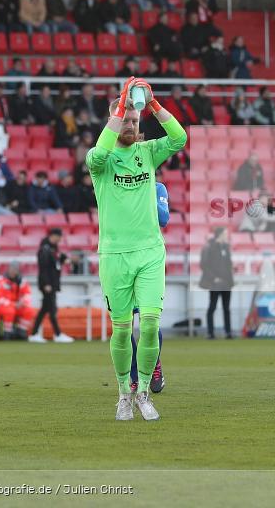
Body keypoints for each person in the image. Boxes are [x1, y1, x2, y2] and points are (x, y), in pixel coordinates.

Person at [85, 77, 186, 420]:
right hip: (114, 255)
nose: (130, 124)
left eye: (134, 120)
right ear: (113, 120)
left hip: (150, 253)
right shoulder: (101, 162)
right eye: (124, 119)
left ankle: (144, 391)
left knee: (152, 323)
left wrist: (155, 105)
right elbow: (99, 152)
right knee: (122, 328)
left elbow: (179, 137)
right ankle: (123, 393)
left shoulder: (148, 152)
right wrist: (121, 105)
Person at [130, 183, 170, 394]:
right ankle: (135, 376)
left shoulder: (157, 188)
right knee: (124, 326)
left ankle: (154, 364)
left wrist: (145, 197)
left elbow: (164, 218)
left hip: (148, 260)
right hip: (122, 258)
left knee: (150, 323)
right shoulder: (118, 185)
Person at [27, 228, 72, 343]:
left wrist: (63, 259)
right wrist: (46, 283)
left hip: (52, 283)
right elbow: (44, 268)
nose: (60, 239)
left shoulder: (53, 248)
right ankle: (57, 334)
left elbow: (55, 263)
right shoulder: (45, 249)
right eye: (59, 236)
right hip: (47, 284)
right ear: (53, 236)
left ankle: (34, 334)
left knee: (45, 309)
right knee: (51, 309)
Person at [200, 227, 234, 339]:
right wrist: (213, 278)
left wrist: (230, 280)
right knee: (212, 307)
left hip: (226, 283)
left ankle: (228, 332)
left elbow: (228, 264)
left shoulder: (226, 247)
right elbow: (204, 264)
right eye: (225, 233)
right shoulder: (210, 247)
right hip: (215, 283)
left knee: (226, 308)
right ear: (219, 234)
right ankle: (210, 332)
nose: (226, 236)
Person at [0, 261, 36, 339]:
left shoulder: (22, 281)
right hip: (2, 306)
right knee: (9, 311)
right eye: (12, 269)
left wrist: (22, 302)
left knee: (29, 311)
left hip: (17, 305)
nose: (13, 271)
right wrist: (13, 304)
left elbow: (27, 294)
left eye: (15, 269)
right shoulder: (0, 280)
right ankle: (7, 332)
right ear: (8, 269)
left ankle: (21, 331)